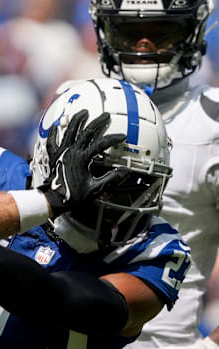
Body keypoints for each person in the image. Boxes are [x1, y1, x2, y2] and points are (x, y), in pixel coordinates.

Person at [0, 78, 191, 348]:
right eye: (98, 173)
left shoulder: (156, 250)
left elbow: (51, 300)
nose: (115, 196)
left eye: (135, 182)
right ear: (51, 154)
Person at [91, 1, 219, 348]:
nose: (143, 45)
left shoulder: (213, 122)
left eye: (161, 31)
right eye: (129, 32)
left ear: (192, 30)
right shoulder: (77, 102)